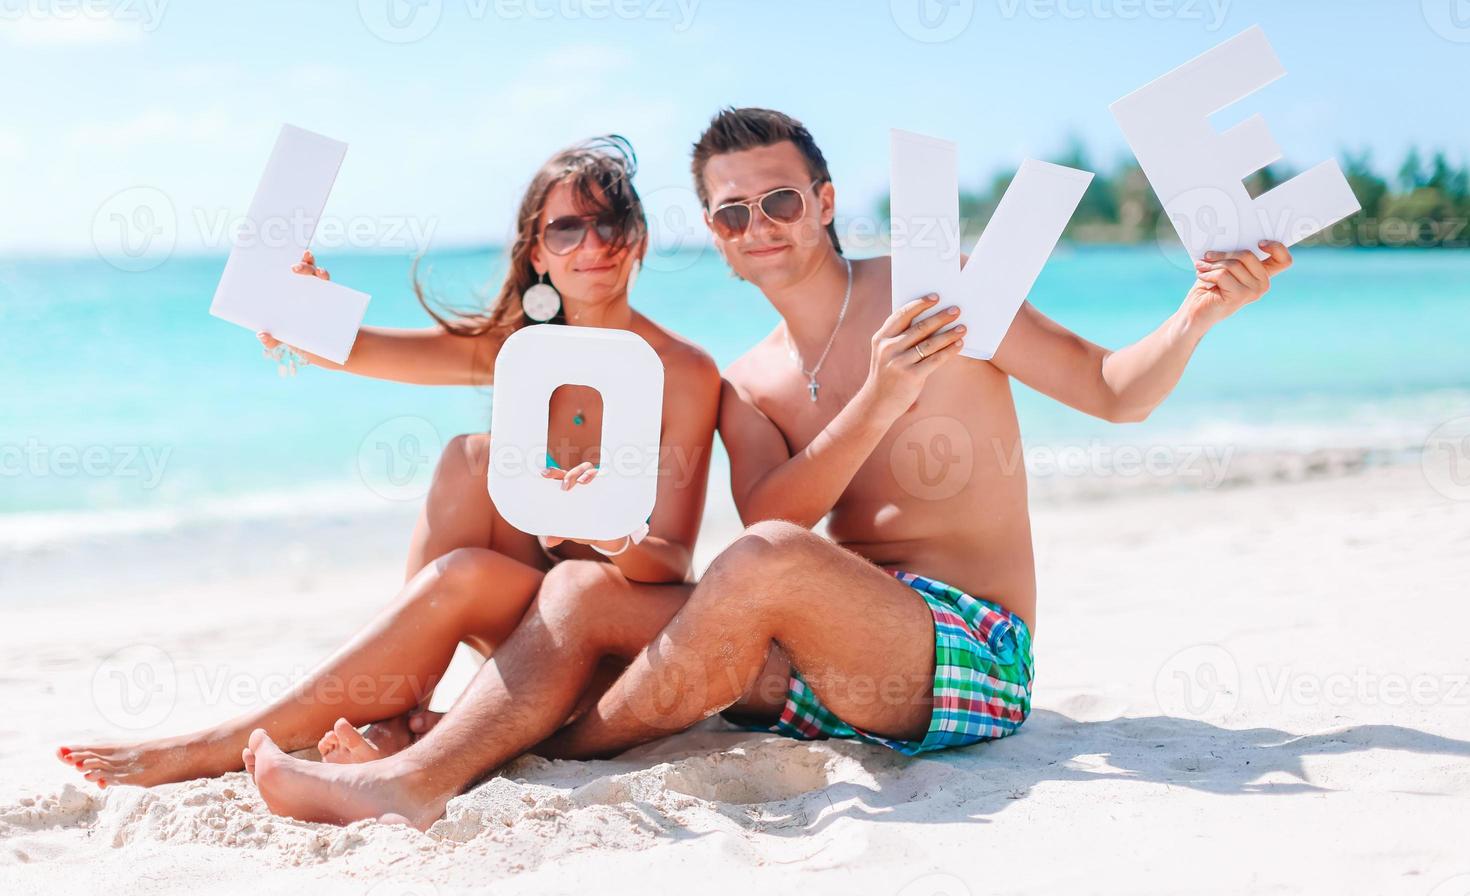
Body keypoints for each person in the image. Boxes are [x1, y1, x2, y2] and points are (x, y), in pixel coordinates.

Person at [201, 105, 1292, 829]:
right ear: (716, 238)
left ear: (823, 201)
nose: (758, 223)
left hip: (966, 656)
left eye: (779, 200)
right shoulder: (750, 377)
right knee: (582, 587)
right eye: (732, 211)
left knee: (757, 560)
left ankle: (418, 773)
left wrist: (1197, 313)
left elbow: (1113, 389)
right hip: (817, 667)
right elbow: (780, 506)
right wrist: (290, 300)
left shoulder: (941, 288)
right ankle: (457, 736)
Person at [55, 136, 720, 787]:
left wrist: (608, 535)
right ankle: (397, 719)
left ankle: (223, 743)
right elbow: (357, 348)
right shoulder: (518, 349)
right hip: (524, 633)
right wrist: (297, 308)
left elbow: (670, 562)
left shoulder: (683, 372)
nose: (594, 245)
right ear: (539, 253)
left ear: (637, 237)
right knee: (470, 460)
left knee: (470, 551)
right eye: (568, 228)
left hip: (603, 640)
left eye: (611, 223)